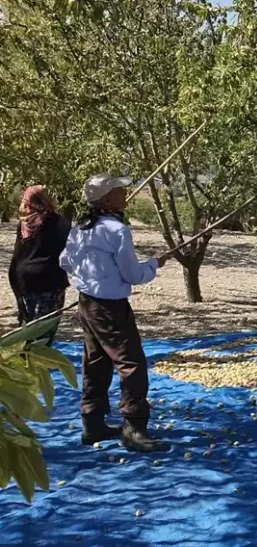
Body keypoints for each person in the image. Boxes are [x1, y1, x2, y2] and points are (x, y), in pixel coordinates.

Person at [59, 174, 170, 453]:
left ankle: (92, 421)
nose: (126, 194)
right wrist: (155, 263)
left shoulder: (80, 227)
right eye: (120, 190)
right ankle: (134, 427)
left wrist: (90, 274)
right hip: (109, 307)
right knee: (130, 362)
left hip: (87, 302)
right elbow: (132, 274)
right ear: (107, 199)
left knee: (96, 360)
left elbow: (64, 261)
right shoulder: (116, 230)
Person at [8, 186, 71, 345]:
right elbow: (73, 246)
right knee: (43, 331)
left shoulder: (24, 222)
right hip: (46, 282)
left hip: (20, 280)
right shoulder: (56, 221)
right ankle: (36, 365)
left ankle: (24, 363)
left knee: (26, 328)